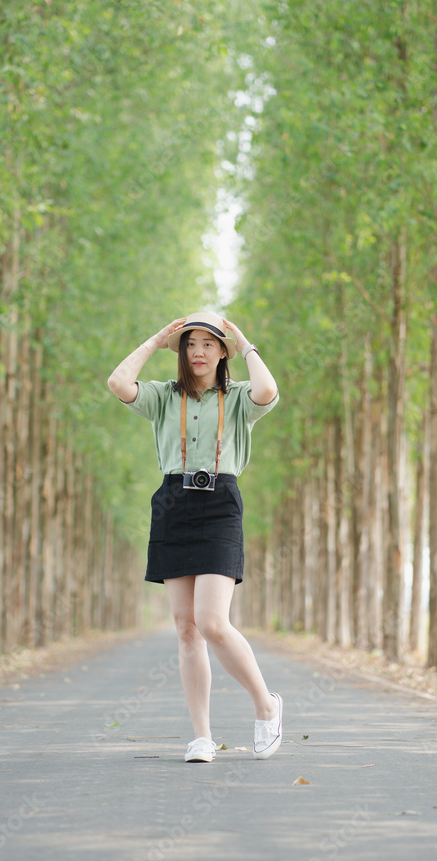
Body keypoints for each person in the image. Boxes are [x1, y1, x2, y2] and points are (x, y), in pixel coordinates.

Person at [107, 312, 282, 763]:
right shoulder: (164, 397)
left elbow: (267, 390)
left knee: (212, 621)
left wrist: (245, 341)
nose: (198, 351)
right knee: (186, 628)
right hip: (173, 502)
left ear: (222, 351)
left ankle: (266, 704)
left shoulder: (239, 396)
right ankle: (202, 736)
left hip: (221, 503)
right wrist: (155, 340)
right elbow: (118, 382)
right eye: (190, 344)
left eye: (209, 343)